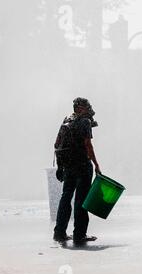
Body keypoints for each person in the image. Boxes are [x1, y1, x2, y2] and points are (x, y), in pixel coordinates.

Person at [53, 97, 101, 245]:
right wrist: (96, 164)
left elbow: (56, 143)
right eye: (86, 106)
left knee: (65, 198)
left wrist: (61, 166)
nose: (88, 109)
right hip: (82, 165)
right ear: (81, 107)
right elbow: (88, 145)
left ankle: (59, 233)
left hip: (68, 166)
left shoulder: (67, 120)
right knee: (81, 200)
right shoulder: (85, 121)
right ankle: (79, 235)